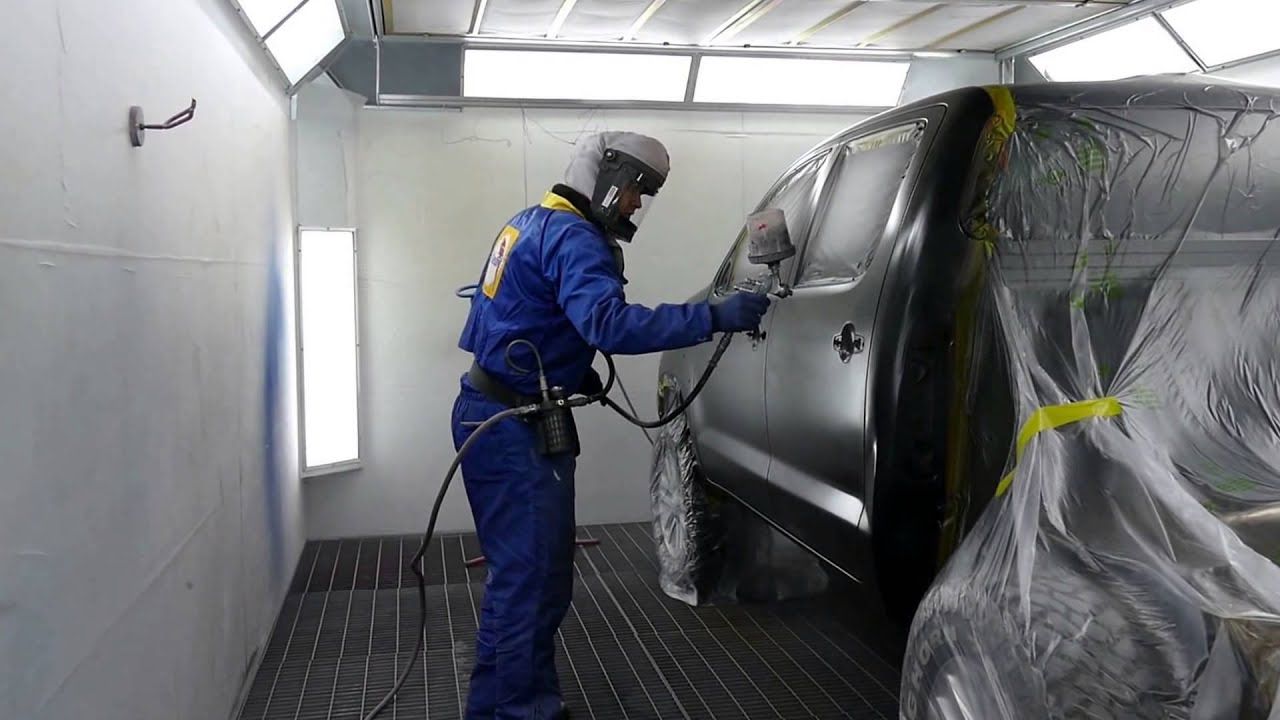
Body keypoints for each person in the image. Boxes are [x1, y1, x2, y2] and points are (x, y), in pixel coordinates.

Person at [452, 131, 770, 719]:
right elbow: (611, 324)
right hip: (513, 428)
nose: (634, 208)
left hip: (490, 411)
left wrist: (566, 368)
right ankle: (520, 712)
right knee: (536, 582)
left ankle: (501, 706)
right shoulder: (574, 237)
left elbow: (510, 315)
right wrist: (714, 316)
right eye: (635, 194)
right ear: (610, 179)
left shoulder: (527, 222)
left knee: (518, 577)